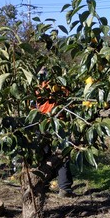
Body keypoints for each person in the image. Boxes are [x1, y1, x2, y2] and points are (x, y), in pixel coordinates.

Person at [36, 67, 74, 197]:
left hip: (43, 123)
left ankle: (44, 183)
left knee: (45, 154)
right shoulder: (61, 87)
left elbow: (34, 106)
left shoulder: (39, 88)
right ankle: (64, 188)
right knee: (61, 154)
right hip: (59, 123)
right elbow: (70, 104)